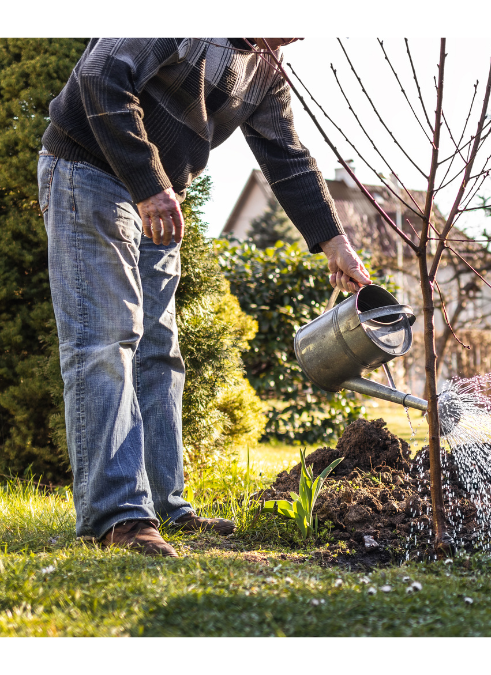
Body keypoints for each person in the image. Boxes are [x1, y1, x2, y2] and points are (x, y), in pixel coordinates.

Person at [37, 38, 371, 558]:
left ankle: (167, 508)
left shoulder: (264, 67)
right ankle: (119, 515)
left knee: (158, 351)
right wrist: (149, 185)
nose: (297, 34)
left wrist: (338, 245)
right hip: (91, 171)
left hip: (158, 195)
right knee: (106, 341)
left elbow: (289, 158)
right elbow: (100, 75)